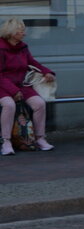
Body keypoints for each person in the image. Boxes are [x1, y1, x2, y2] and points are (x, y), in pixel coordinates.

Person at [0, 18, 56, 155]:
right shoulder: (1, 48)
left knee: (39, 104)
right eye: (21, 30)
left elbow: (32, 62)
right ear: (12, 32)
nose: (24, 33)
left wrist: (47, 71)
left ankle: (39, 138)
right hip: (3, 86)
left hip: (20, 85)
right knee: (9, 105)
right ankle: (5, 141)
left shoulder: (22, 47)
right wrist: (13, 91)